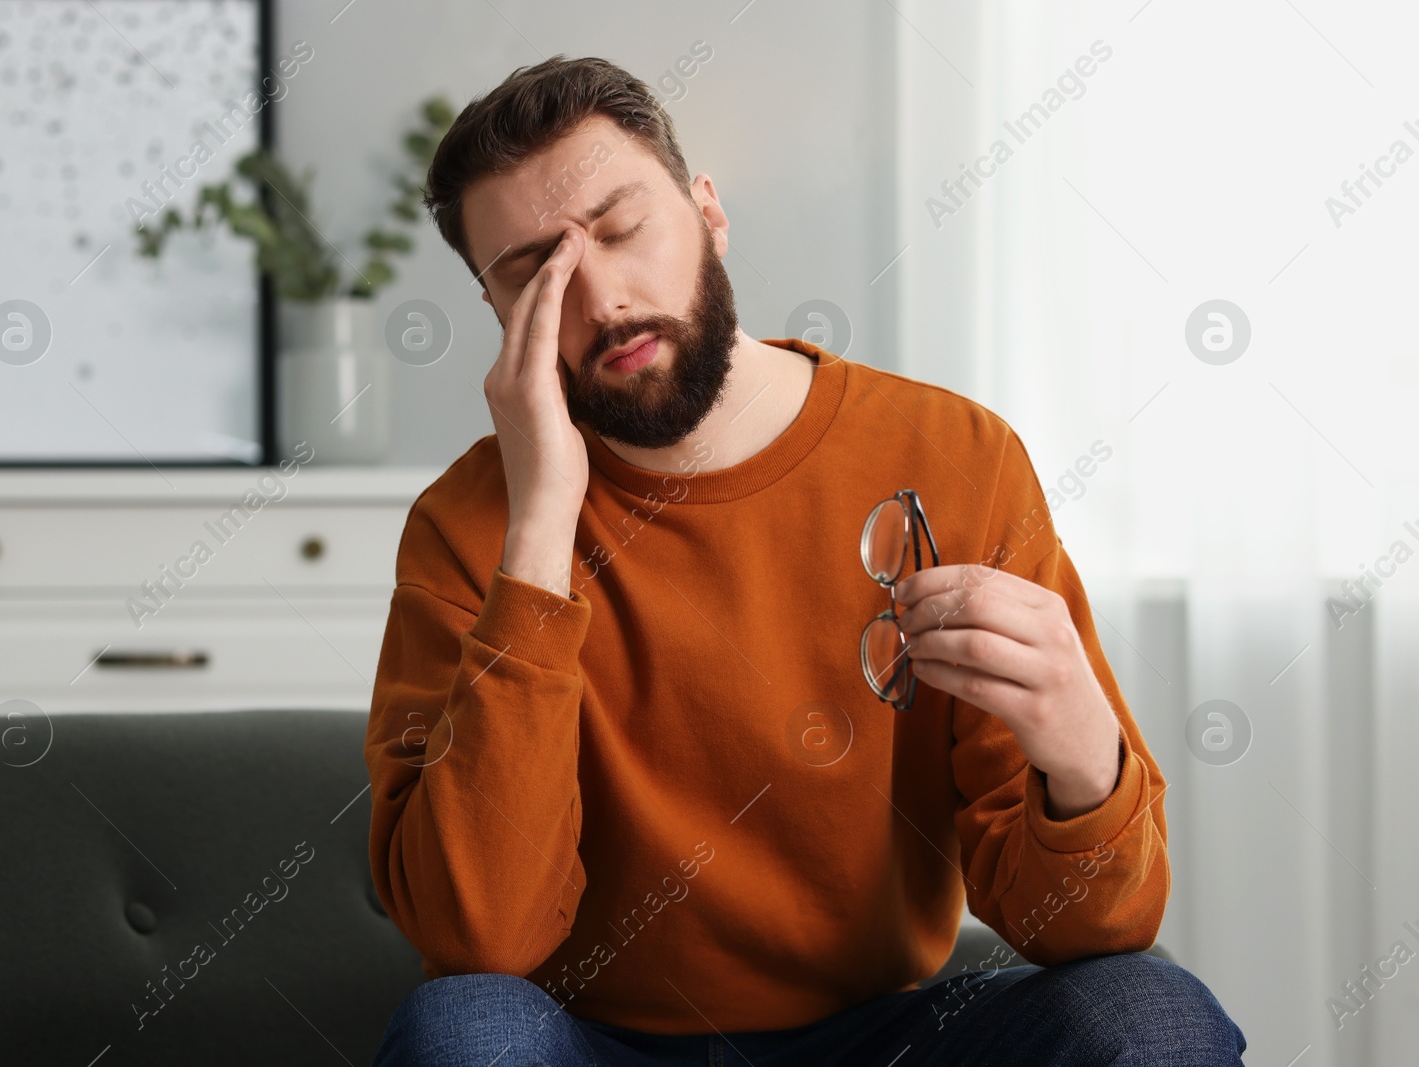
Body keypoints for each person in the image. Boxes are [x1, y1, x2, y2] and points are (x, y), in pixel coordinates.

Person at [364, 54, 1246, 1066]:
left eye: (621, 228)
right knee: (461, 1033)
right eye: (536, 272)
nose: (602, 297)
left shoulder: (954, 457)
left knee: (1154, 1015)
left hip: (891, 1034)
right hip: (594, 1045)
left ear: (706, 213)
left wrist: (1083, 752)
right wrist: (540, 523)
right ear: (496, 311)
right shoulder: (464, 524)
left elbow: (1089, 927)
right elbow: (480, 936)